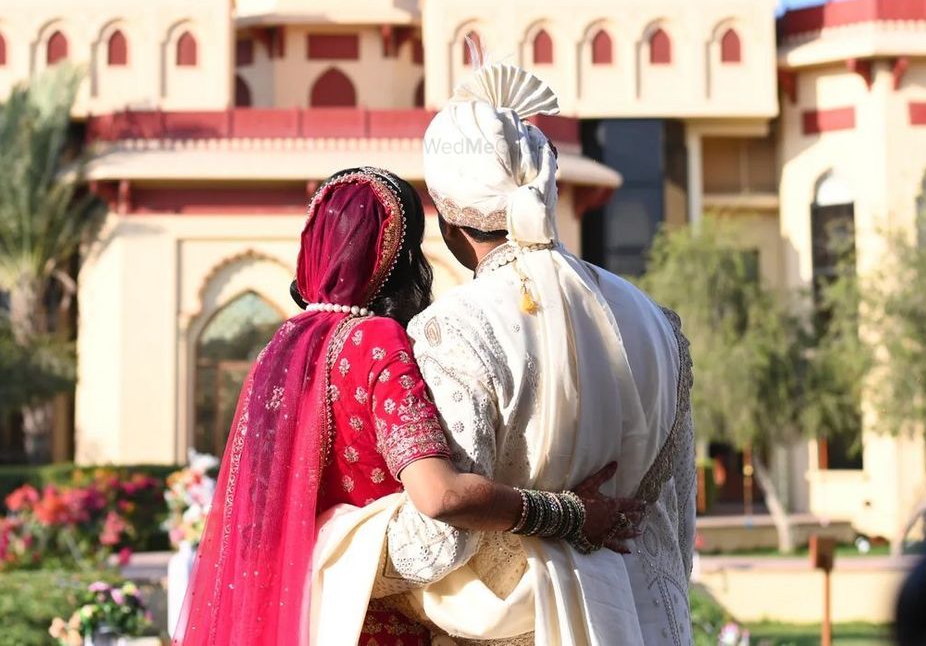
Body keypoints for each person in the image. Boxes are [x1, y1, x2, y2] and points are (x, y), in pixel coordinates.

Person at [173, 166, 640, 646]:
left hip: (303, 617)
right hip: (373, 623)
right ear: (397, 257)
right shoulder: (376, 341)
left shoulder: (279, 350)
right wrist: (570, 516)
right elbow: (439, 496)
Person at [312, 63, 696, 645]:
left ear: (446, 213)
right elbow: (675, 523)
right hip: (642, 623)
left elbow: (440, 539)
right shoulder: (657, 322)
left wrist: (334, 545)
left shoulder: (454, 328)